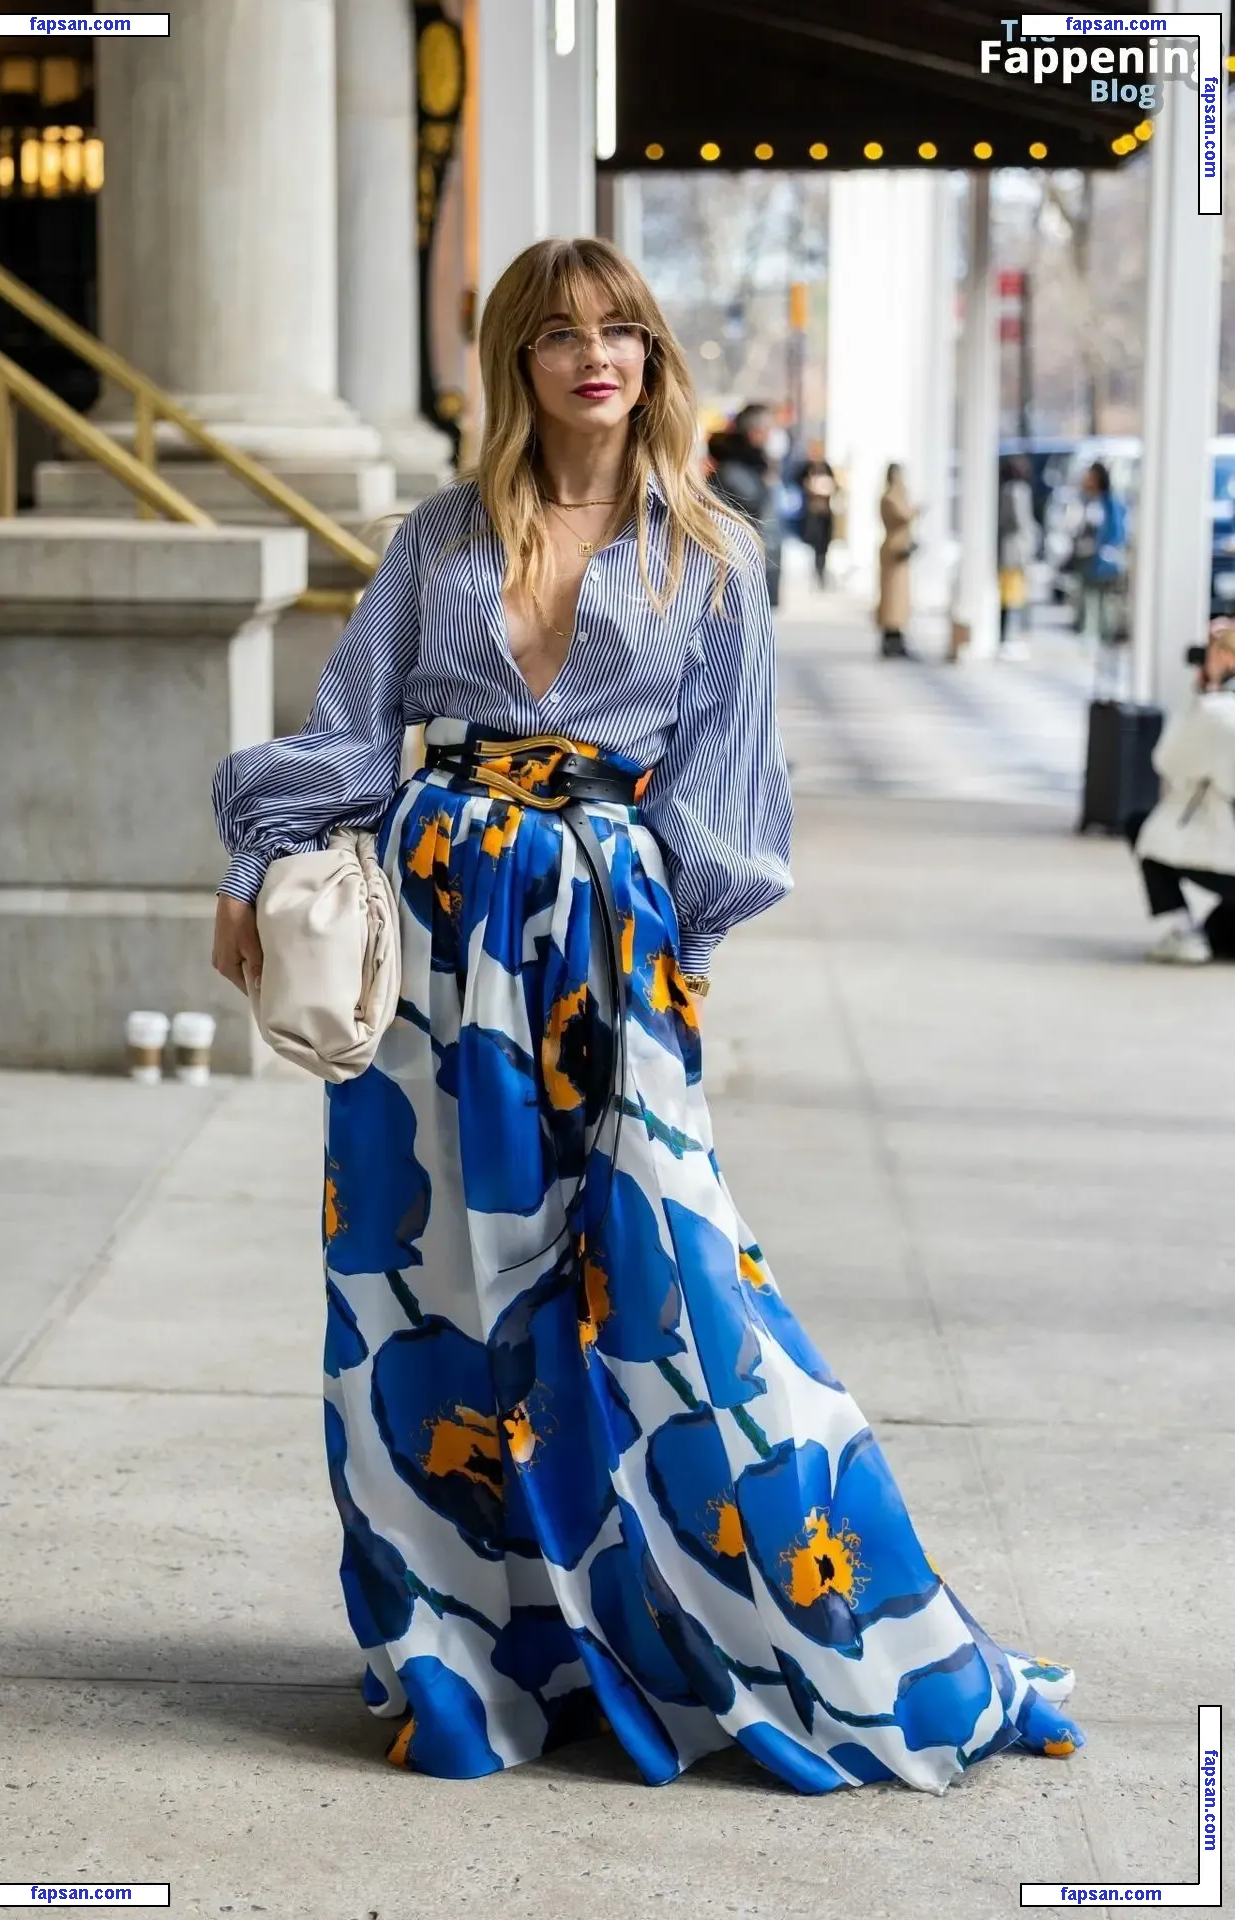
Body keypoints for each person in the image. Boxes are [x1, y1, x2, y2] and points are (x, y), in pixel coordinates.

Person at [211, 236, 1081, 1792]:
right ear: (517, 361)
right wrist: (252, 862)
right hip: (432, 946)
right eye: (560, 333)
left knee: (675, 1297)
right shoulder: (437, 539)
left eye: (620, 329)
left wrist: (677, 974)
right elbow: (347, 735)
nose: (594, 355)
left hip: (606, 956)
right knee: (422, 1298)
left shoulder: (716, 554)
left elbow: (727, 802)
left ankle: (876, 1645)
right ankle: (456, 1653)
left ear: (654, 357)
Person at [1131, 620, 1235, 964]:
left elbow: (1168, 760)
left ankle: (1183, 933)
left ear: (1224, 657)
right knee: (1220, 935)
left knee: (1145, 830)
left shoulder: (1218, 712)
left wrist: (1203, 693)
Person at [707, 402, 783, 607]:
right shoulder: (735, 472)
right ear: (755, 432)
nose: (771, 436)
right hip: (744, 569)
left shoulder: (752, 466)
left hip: (753, 564)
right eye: (768, 430)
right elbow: (755, 516)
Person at [1074, 461, 1128, 688]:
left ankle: (1108, 663)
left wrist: (1103, 550)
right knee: (1089, 606)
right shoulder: (1086, 501)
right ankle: (1092, 646)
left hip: (1105, 568)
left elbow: (1116, 533)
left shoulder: (1110, 503)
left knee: (1107, 614)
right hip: (1088, 565)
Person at [997, 454, 1038, 661]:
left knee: (1009, 596)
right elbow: (1022, 522)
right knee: (1013, 597)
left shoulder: (1005, 490)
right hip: (1016, 552)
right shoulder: (1018, 491)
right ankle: (1010, 638)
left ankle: (1007, 638)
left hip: (1008, 550)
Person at [877, 461, 918, 658]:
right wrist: (916, 510)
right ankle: (891, 638)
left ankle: (896, 636)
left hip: (899, 550)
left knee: (899, 599)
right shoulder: (891, 497)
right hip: (894, 551)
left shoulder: (894, 496)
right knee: (893, 599)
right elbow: (904, 515)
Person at [790, 437, 836, 586]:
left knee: (824, 544)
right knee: (813, 542)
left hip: (825, 512)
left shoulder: (826, 467)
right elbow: (796, 480)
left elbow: (834, 485)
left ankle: (821, 571)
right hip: (812, 511)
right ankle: (814, 572)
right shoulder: (806, 467)